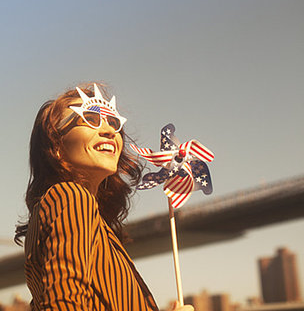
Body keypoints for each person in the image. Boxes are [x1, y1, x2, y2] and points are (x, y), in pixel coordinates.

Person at [15, 83, 194, 311]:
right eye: (90, 118)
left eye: (114, 123)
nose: (110, 131)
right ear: (56, 146)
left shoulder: (74, 214)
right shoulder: (70, 196)